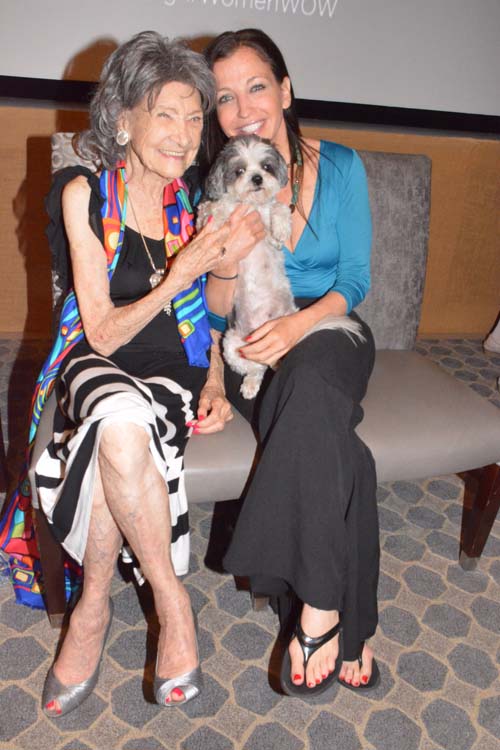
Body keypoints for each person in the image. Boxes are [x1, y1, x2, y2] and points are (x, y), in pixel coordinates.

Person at [0, 31, 264, 715]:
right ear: (124, 119)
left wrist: (225, 271)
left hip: (174, 372)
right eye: (165, 114)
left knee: (122, 430)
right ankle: (173, 605)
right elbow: (103, 329)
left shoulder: (195, 204)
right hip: (98, 360)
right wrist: (181, 268)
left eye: (195, 116)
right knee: (116, 414)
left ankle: (93, 607)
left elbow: (215, 312)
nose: (183, 135)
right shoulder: (82, 194)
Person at [201, 28, 380, 697]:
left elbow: (355, 281)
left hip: (327, 324)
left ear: (284, 89)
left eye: (255, 86)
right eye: (224, 97)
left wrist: (299, 324)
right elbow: (212, 308)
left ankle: (311, 604)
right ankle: (343, 620)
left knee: (307, 378)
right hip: (248, 334)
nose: (242, 107)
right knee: (342, 448)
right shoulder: (217, 185)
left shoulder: (339, 167)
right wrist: (222, 266)